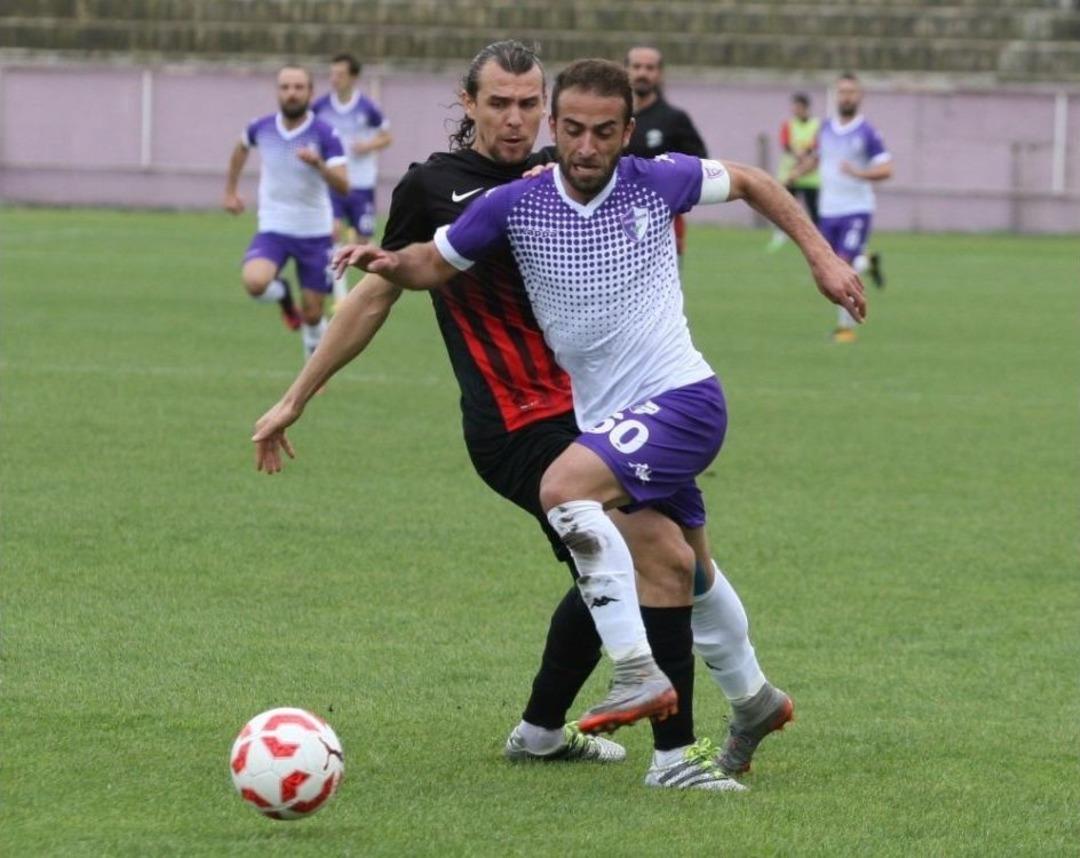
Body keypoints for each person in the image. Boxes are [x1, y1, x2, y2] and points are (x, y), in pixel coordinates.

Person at [253, 44, 796, 791]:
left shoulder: (567, 166)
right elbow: (381, 291)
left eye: (527, 105)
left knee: (654, 565)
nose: (515, 120)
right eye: (498, 103)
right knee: (657, 558)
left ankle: (546, 731)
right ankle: (677, 751)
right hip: (515, 421)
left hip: (598, 409)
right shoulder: (436, 187)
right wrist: (296, 395)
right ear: (467, 103)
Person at [224, 66, 348, 361]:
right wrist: (230, 190)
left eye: (298, 87)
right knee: (255, 282)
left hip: (314, 232)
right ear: (278, 91)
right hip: (274, 227)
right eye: (285, 87)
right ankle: (282, 295)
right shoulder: (261, 127)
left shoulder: (325, 133)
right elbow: (241, 147)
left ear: (310, 92)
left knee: (314, 312)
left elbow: (344, 185)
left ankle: (311, 348)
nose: (291, 93)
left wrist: (319, 165)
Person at [813, 72, 892, 343]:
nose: (846, 97)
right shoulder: (824, 128)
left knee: (842, 264)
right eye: (842, 92)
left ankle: (846, 328)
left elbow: (886, 169)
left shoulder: (867, 132)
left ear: (859, 96)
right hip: (828, 210)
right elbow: (817, 159)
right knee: (831, 265)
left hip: (856, 208)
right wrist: (790, 176)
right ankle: (868, 262)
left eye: (851, 92)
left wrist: (859, 174)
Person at [313, 53, 393, 309]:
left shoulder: (367, 108)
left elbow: (386, 138)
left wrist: (367, 145)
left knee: (362, 243)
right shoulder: (321, 106)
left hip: (361, 184)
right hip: (335, 182)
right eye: (332, 74)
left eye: (340, 74)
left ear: (353, 78)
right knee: (333, 230)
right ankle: (340, 296)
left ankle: (381, 286)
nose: (334, 79)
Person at [623, 46, 708, 263]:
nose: (643, 73)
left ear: (659, 74)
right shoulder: (614, 119)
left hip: (662, 225)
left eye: (650, 68)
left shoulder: (674, 119)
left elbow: (700, 165)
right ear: (626, 71)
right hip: (614, 219)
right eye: (637, 67)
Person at [766, 92, 821, 252]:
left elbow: (817, 146)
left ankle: (817, 241)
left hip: (811, 177)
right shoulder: (788, 124)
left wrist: (806, 158)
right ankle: (780, 236)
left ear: (805, 107)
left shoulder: (816, 125)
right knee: (783, 207)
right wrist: (798, 156)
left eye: (797, 106)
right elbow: (786, 144)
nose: (794, 110)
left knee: (814, 212)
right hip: (790, 176)